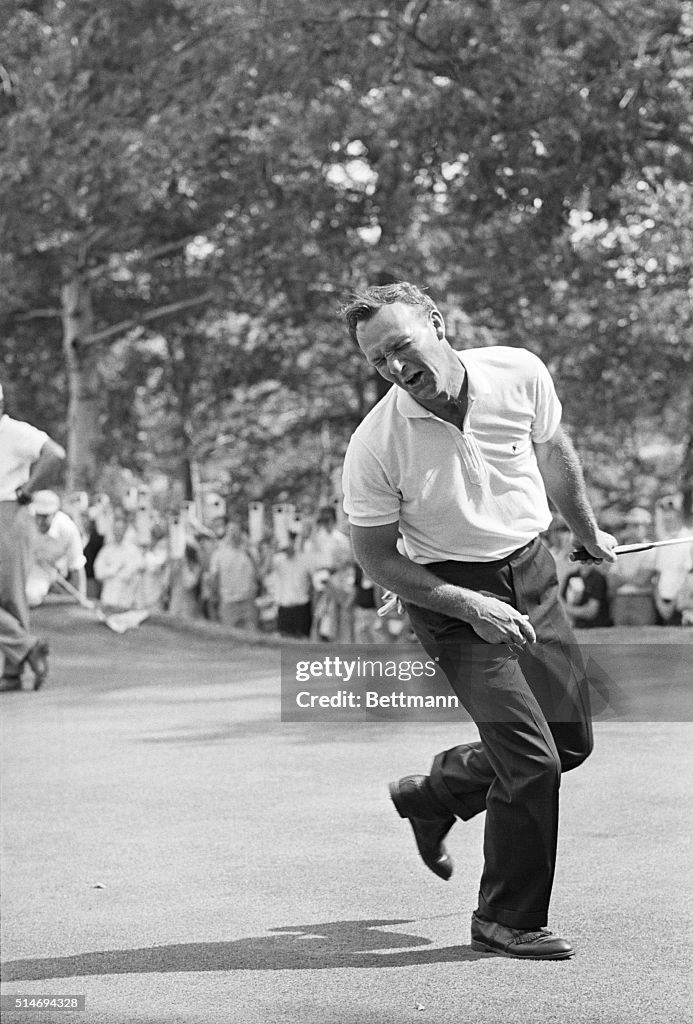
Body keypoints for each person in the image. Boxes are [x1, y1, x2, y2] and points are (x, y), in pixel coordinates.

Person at [341, 282, 616, 961]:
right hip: (450, 602)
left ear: (437, 323)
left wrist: (585, 531)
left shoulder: (517, 371)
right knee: (530, 762)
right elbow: (374, 556)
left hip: (531, 572)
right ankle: (504, 920)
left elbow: (552, 453)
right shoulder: (374, 443)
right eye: (378, 360)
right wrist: (467, 604)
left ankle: (435, 793)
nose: (395, 367)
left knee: (569, 744)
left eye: (401, 345)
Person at [0, 383, 65, 691]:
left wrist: (28, 490)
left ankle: (18, 661)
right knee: (9, 598)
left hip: (8, 512)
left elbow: (54, 453)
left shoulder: (13, 430)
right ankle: (23, 654)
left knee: (11, 595)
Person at [25, 490, 87, 608]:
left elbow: (77, 565)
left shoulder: (69, 529)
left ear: (55, 514)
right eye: (38, 515)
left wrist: (81, 598)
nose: (40, 521)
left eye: (45, 516)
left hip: (45, 572)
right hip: (20, 564)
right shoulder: (24, 520)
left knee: (31, 596)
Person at [608, 507, 657, 626]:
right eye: (629, 525)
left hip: (642, 600)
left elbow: (642, 580)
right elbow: (612, 581)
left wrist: (622, 577)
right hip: (621, 600)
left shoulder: (651, 549)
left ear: (647, 527)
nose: (631, 529)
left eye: (636, 525)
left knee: (643, 640)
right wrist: (632, 578)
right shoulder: (619, 549)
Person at [208, 523, 261, 630]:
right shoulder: (218, 554)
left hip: (248, 601)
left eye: (236, 530)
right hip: (228, 602)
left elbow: (258, 574)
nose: (233, 534)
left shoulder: (251, 551)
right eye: (230, 531)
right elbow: (213, 578)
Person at [92, 507, 144, 610]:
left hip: (127, 599)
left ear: (125, 531)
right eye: (116, 530)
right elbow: (98, 573)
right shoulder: (106, 550)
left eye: (121, 530)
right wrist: (114, 569)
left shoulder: (134, 551)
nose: (118, 533)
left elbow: (133, 572)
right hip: (108, 598)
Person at [270, 527, 314, 638]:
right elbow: (264, 571)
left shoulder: (305, 559)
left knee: (302, 642)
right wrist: (274, 548)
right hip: (284, 608)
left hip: (301, 607)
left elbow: (313, 582)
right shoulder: (277, 560)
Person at [560, 560, 612, 628]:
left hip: (596, 626)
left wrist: (568, 610)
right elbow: (560, 602)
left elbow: (591, 612)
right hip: (576, 626)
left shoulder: (598, 578)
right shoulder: (572, 576)